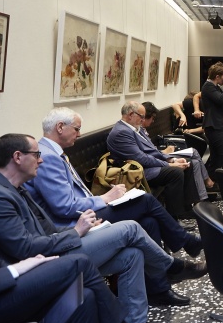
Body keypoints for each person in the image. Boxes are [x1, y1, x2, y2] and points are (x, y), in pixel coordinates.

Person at [0, 140, 179, 323]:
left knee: (131, 256)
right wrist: (75, 232)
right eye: (36, 155)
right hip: (27, 270)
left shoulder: (14, 187)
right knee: (127, 229)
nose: (41, 160)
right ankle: (167, 275)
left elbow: (47, 231)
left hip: (47, 255)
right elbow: (24, 248)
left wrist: (81, 229)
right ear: (17, 157)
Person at [25, 107, 203, 268]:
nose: (79, 134)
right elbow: (64, 207)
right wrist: (106, 198)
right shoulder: (48, 158)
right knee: (146, 200)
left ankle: (160, 286)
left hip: (85, 211)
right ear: (60, 127)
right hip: (76, 222)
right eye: (77, 129)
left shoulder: (52, 153)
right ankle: (184, 242)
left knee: (150, 222)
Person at [106, 101, 192, 219]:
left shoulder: (134, 128)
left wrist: (171, 160)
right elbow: (140, 158)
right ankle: (174, 217)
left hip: (146, 166)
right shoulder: (122, 132)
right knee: (175, 173)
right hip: (136, 173)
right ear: (131, 115)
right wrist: (169, 165)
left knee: (186, 163)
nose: (143, 120)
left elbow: (152, 151)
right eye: (141, 116)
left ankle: (186, 209)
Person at [141, 101, 214, 197]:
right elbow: (146, 154)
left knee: (195, 160)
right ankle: (205, 186)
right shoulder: (136, 132)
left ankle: (201, 196)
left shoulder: (141, 130)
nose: (153, 121)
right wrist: (165, 153)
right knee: (194, 154)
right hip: (159, 158)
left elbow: (150, 149)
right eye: (152, 118)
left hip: (160, 154)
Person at [201, 62, 223, 172]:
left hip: (215, 126)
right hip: (215, 127)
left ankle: (213, 183)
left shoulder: (214, 87)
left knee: (216, 159)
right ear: (217, 76)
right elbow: (221, 100)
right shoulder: (208, 87)